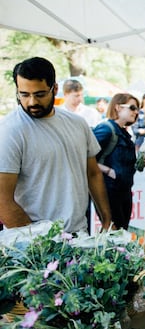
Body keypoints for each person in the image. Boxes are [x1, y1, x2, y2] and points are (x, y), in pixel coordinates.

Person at [0, 57, 112, 233]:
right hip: (32, 246)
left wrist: (107, 221)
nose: (32, 102)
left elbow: (92, 173)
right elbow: (2, 200)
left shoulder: (77, 123)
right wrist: (41, 244)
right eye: (24, 94)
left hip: (78, 236)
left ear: (55, 89)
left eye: (39, 94)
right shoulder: (10, 130)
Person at [93, 93, 140, 230]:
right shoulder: (107, 129)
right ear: (118, 107)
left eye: (137, 109)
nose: (136, 112)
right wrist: (108, 170)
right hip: (109, 192)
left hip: (124, 191)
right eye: (132, 107)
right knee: (113, 234)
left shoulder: (123, 132)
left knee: (121, 233)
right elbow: (84, 156)